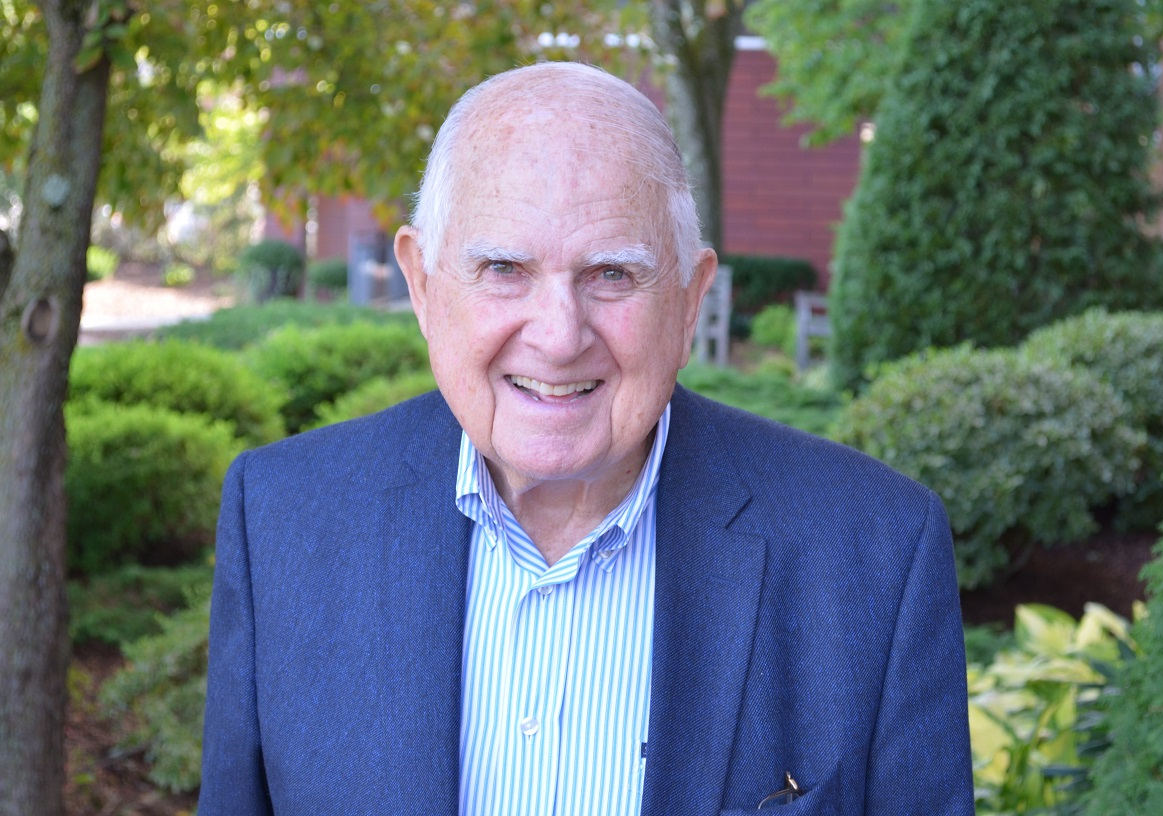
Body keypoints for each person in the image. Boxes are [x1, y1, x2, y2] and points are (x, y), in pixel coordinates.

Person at [199, 61, 974, 815]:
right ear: (423, 286)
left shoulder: (874, 549)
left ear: (690, 298)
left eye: (610, 273)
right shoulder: (283, 520)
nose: (559, 336)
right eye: (503, 267)